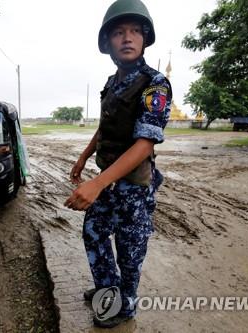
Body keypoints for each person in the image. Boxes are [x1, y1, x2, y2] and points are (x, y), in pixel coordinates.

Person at [64, 0, 171, 328]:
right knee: (94, 232)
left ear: (144, 39)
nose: (128, 37)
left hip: (134, 188)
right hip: (108, 180)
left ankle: (124, 307)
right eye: (119, 32)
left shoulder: (154, 84)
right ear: (107, 42)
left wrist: (95, 184)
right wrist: (84, 158)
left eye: (135, 31)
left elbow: (144, 144)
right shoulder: (112, 83)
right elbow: (105, 125)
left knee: (129, 251)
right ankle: (106, 290)